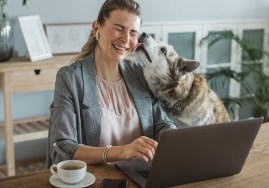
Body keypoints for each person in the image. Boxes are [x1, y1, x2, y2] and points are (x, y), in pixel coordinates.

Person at [47, 0, 176, 167]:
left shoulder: (139, 73)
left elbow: (162, 123)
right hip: (96, 180)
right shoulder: (70, 78)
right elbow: (63, 147)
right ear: (96, 28)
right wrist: (122, 151)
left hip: (142, 176)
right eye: (119, 29)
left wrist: (175, 139)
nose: (125, 39)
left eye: (133, 33)